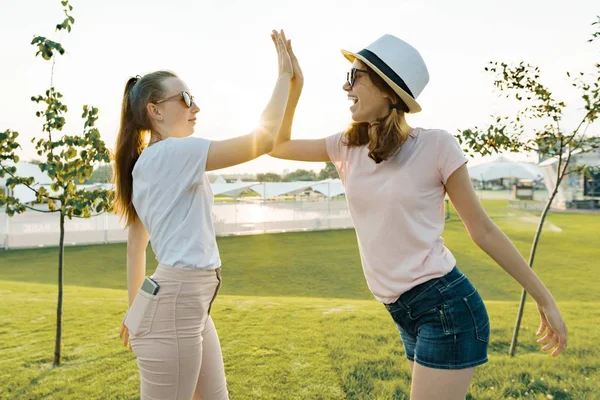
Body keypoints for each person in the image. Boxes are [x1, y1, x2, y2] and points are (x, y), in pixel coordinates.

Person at [269, 31, 568, 399]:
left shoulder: (436, 145)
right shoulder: (346, 146)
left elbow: (483, 231)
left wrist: (544, 298)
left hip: (445, 307)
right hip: (403, 310)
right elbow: (276, 145)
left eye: (355, 76)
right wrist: (292, 82)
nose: (345, 86)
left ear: (388, 91)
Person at [113, 31, 292, 400]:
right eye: (186, 98)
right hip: (176, 305)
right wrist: (284, 78)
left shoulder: (149, 163)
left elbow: (136, 247)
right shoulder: (173, 154)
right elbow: (265, 139)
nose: (196, 107)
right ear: (155, 109)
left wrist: (136, 313)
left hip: (186, 307)